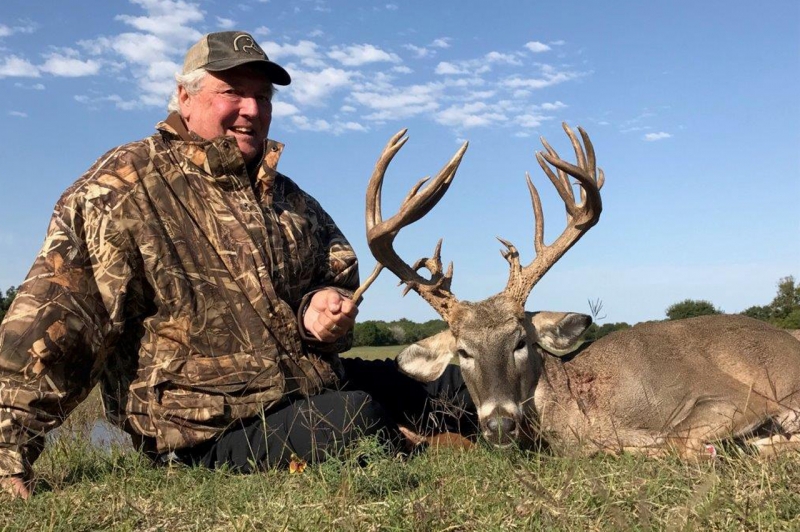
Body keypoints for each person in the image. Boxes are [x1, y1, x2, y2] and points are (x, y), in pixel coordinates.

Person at [0, 31, 476, 499]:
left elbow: (334, 277)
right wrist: (7, 448)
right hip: (205, 428)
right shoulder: (123, 187)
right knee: (358, 417)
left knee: (460, 386)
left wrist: (318, 311)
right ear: (185, 98)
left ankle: (487, 426)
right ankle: (423, 447)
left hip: (307, 387)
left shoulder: (288, 198)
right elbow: (56, 319)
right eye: (232, 92)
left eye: (262, 97)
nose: (251, 109)